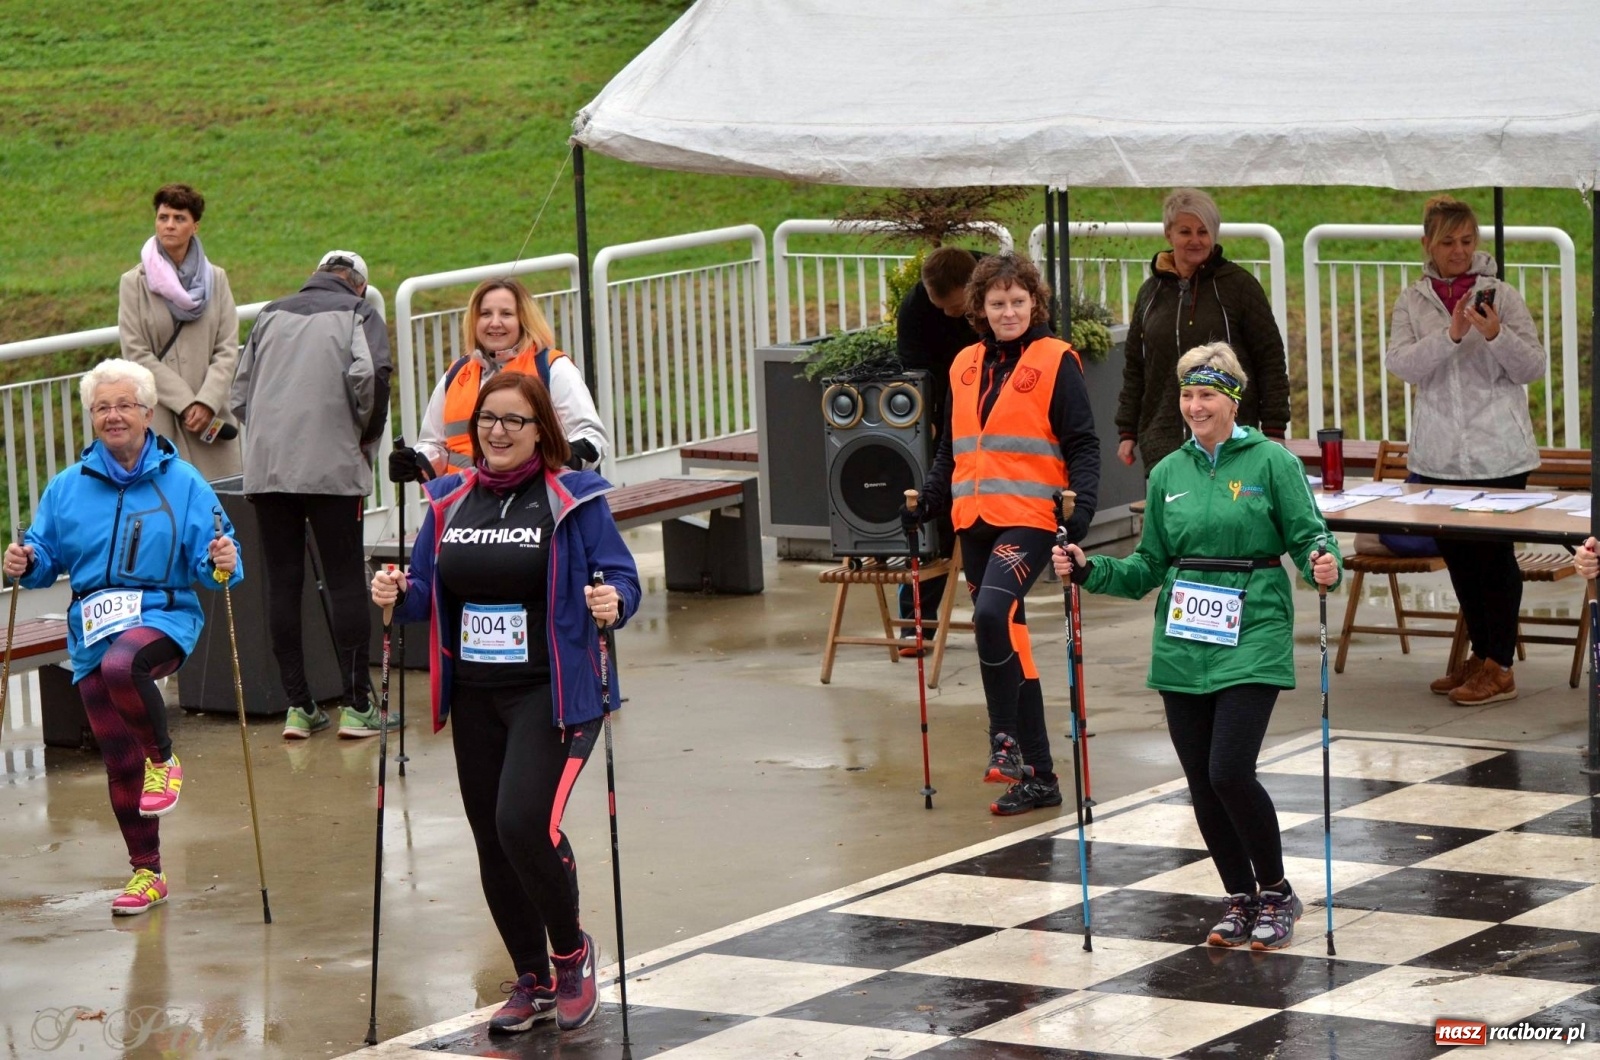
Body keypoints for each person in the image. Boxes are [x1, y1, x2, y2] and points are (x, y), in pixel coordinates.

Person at [370, 371, 638, 1036]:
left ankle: (571, 952)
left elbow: (623, 577)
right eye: (488, 418)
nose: (496, 430)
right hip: (477, 696)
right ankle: (534, 979)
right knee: (492, 840)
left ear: (541, 429)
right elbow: (426, 592)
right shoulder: (450, 499)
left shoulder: (571, 499)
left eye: (514, 420)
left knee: (523, 822)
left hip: (553, 692)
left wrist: (614, 602)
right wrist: (395, 591)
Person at [1056, 341, 1339, 949]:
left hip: (1254, 630)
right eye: (1186, 395)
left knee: (1230, 770)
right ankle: (1239, 896)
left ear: (1232, 400)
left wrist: (1324, 562)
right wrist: (1088, 570)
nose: (1194, 406)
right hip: (1183, 641)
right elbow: (1148, 566)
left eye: (1206, 394)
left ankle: (1278, 892)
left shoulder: (1271, 462)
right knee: (1202, 782)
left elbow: (1312, 536)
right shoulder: (1167, 474)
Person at [3, 359, 241, 916]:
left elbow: (220, 562)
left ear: (147, 412)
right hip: (90, 627)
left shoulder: (182, 480)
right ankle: (146, 875)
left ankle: (166, 759)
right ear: (93, 417)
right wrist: (26, 558)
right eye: (102, 407)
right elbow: (42, 559)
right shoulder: (68, 487)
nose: (113, 416)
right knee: (118, 760)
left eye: (124, 405)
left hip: (163, 615)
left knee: (122, 666)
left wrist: (222, 560)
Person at [908, 252, 1100, 816]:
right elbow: (952, 448)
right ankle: (1041, 776)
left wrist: (1081, 510)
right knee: (1012, 643)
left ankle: (1005, 740)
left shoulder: (1056, 359)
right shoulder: (963, 363)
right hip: (975, 522)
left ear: (1034, 303)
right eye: (998, 303)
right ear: (980, 309)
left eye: (1019, 302)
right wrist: (930, 501)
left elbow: (1084, 445)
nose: (1009, 311)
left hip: (1032, 517)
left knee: (991, 616)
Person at [1387, 195, 1545, 706]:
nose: (1459, 251)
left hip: (1498, 453)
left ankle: (1501, 665)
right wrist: (1450, 336)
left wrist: (1496, 334)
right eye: (1448, 241)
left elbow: (1532, 367)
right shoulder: (1412, 300)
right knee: (1459, 557)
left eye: (1467, 240)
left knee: (1494, 558)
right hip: (1436, 457)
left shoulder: (1501, 293)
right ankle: (1481, 652)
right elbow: (1402, 365)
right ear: (1427, 243)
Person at [229, 250, 393, 739]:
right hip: (332, 466)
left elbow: (239, 394)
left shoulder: (270, 313)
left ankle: (299, 708)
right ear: (359, 284)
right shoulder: (359, 311)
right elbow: (372, 378)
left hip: (267, 468)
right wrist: (363, 438)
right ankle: (358, 706)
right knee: (344, 578)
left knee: (283, 583)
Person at [1116, 188, 1290, 474]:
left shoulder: (1239, 286)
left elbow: (1270, 359)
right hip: (1163, 444)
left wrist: (1274, 428)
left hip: (1230, 441)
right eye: (1185, 231)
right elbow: (1135, 367)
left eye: (1203, 231)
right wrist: (1128, 430)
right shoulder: (1150, 293)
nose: (1195, 240)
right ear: (1168, 234)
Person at [389, 278, 607, 484]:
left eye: (506, 314)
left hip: (537, 505)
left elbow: (591, 436)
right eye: (485, 314)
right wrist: (418, 461)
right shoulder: (456, 374)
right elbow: (434, 443)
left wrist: (568, 459)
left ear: (524, 320)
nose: (495, 323)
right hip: (465, 508)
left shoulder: (552, 368)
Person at [118, 183, 242, 482]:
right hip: (160, 415)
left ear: (195, 226)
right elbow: (136, 353)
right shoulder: (134, 282)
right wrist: (187, 403)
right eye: (163, 217)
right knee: (166, 507)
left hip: (208, 418)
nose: (169, 225)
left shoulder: (216, 278)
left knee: (220, 509)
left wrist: (206, 401)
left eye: (179, 218)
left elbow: (227, 348)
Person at [893, 247, 981, 655]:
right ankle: (917, 621)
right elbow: (913, 368)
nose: (948, 315)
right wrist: (926, 415)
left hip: (991, 409)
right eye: (939, 306)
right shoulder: (915, 310)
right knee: (930, 515)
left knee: (985, 520)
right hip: (942, 411)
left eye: (956, 308)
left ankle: (993, 613)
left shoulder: (1000, 290)